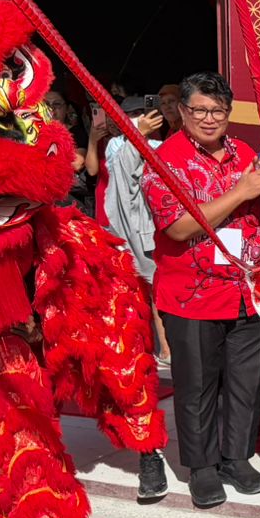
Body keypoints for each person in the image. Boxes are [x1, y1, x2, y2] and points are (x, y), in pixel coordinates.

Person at [143, 72, 260, 509]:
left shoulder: (244, 152)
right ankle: (201, 467)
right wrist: (241, 189)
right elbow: (179, 225)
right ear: (183, 112)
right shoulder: (163, 160)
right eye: (200, 110)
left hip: (245, 287)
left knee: (246, 383)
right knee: (198, 384)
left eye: (218, 111)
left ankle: (235, 457)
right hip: (193, 293)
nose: (209, 119)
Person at [103, 94, 170, 366]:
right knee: (128, 291)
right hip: (127, 227)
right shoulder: (116, 145)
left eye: (143, 113)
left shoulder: (161, 145)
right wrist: (136, 136)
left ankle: (166, 349)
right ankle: (134, 349)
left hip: (153, 226)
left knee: (157, 291)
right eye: (132, 115)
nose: (139, 118)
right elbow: (121, 171)